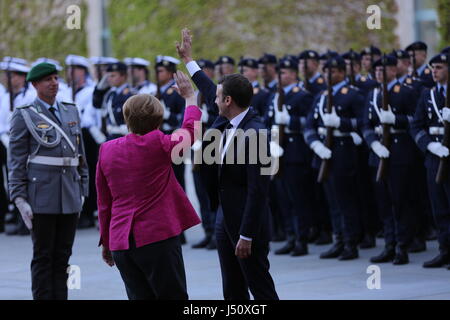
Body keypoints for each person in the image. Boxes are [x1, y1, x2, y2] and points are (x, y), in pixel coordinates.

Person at [177, 28, 278, 300]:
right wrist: (188, 59)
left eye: (219, 97)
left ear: (228, 101)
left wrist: (247, 235)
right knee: (232, 289)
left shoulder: (255, 134)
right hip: (225, 216)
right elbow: (209, 87)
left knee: (260, 286)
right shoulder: (226, 118)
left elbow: (259, 191)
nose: (214, 99)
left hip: (248, 224)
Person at [96, 71, 201, 300]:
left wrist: (106, 240)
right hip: (157, 238)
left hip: (121, 240)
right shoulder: (159, 144)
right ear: (158, 120)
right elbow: (191, 132)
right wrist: (190, 98)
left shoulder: (107, 149)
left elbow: (104, 202)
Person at [8, 62, 88, 299]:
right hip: (41, 194)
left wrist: (83, 187)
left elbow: (79, 153)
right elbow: (17, 159)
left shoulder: (70, 110)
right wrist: (19, 196)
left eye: (55, 78)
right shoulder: (24, 114)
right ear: (34, 84)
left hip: (69, 192)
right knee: (43, 255)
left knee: (63, 255)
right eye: (47, 80)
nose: (54, 83)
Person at [304, 56, 365, 260]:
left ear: (341, 72)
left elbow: (362, 123)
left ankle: (351, 242)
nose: (327, 76)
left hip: (342, 151)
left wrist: (341, 123)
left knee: (345, 199)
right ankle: (338, 239)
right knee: (332, 201)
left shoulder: (353, 94)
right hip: (324, 151)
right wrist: (316, 144)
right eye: (325, 72)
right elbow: (309, 125)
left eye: (331, 72)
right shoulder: (321, 96)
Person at [361, 55, 418, 265]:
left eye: (383, 70)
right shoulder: (372, 94)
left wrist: (396, 120)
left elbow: (415, 118)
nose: (378, 73)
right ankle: (389, 244)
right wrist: (373, 144)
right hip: (378, 154)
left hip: (400, 152)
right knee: (384, 203)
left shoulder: (405, 91)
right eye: (376, 71)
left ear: (394, 70)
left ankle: (403, 246)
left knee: (400, 202)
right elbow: (365, 124)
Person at [411, 52, 450, 269]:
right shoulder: (428, 95)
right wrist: (430, 145)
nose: (434, 71)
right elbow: (416, 126)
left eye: (440, 67)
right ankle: (445, 250)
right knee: (439, 209)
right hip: (435, 158)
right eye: (433, 67)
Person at [0, 57, 34, 235]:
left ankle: (27, 219)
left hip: (24, 143)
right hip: (7, 141)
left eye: (12, 76)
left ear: (21, 77)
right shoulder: (7, 97)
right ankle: (17, 214)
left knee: (25, 180)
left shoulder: (29, 96)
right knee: (12, 180)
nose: (8, 80)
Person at [92, 61, 135, 140]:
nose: (109, 79)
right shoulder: (110, 94)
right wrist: (99, 89)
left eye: (113, 76)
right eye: (108, 76)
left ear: (123, 76)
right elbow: (97, 104)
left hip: (126, 137)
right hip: (111, 136)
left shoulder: (131, 94)